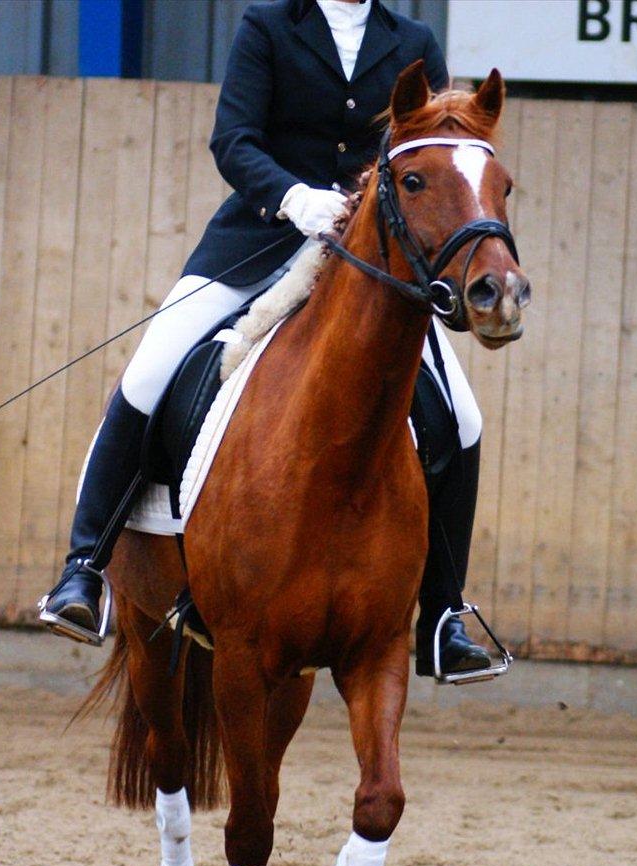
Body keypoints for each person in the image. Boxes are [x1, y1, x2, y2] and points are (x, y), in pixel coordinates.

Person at [41, 0, 493, 678]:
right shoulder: (268, 26)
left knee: (461, 419)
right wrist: (292, 197)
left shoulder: (413, 40)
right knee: (151, 371)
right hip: (258, 241)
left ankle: (444, 616)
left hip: (367, 264)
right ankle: (84, 569)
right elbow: (234, 139)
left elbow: (420, 153)